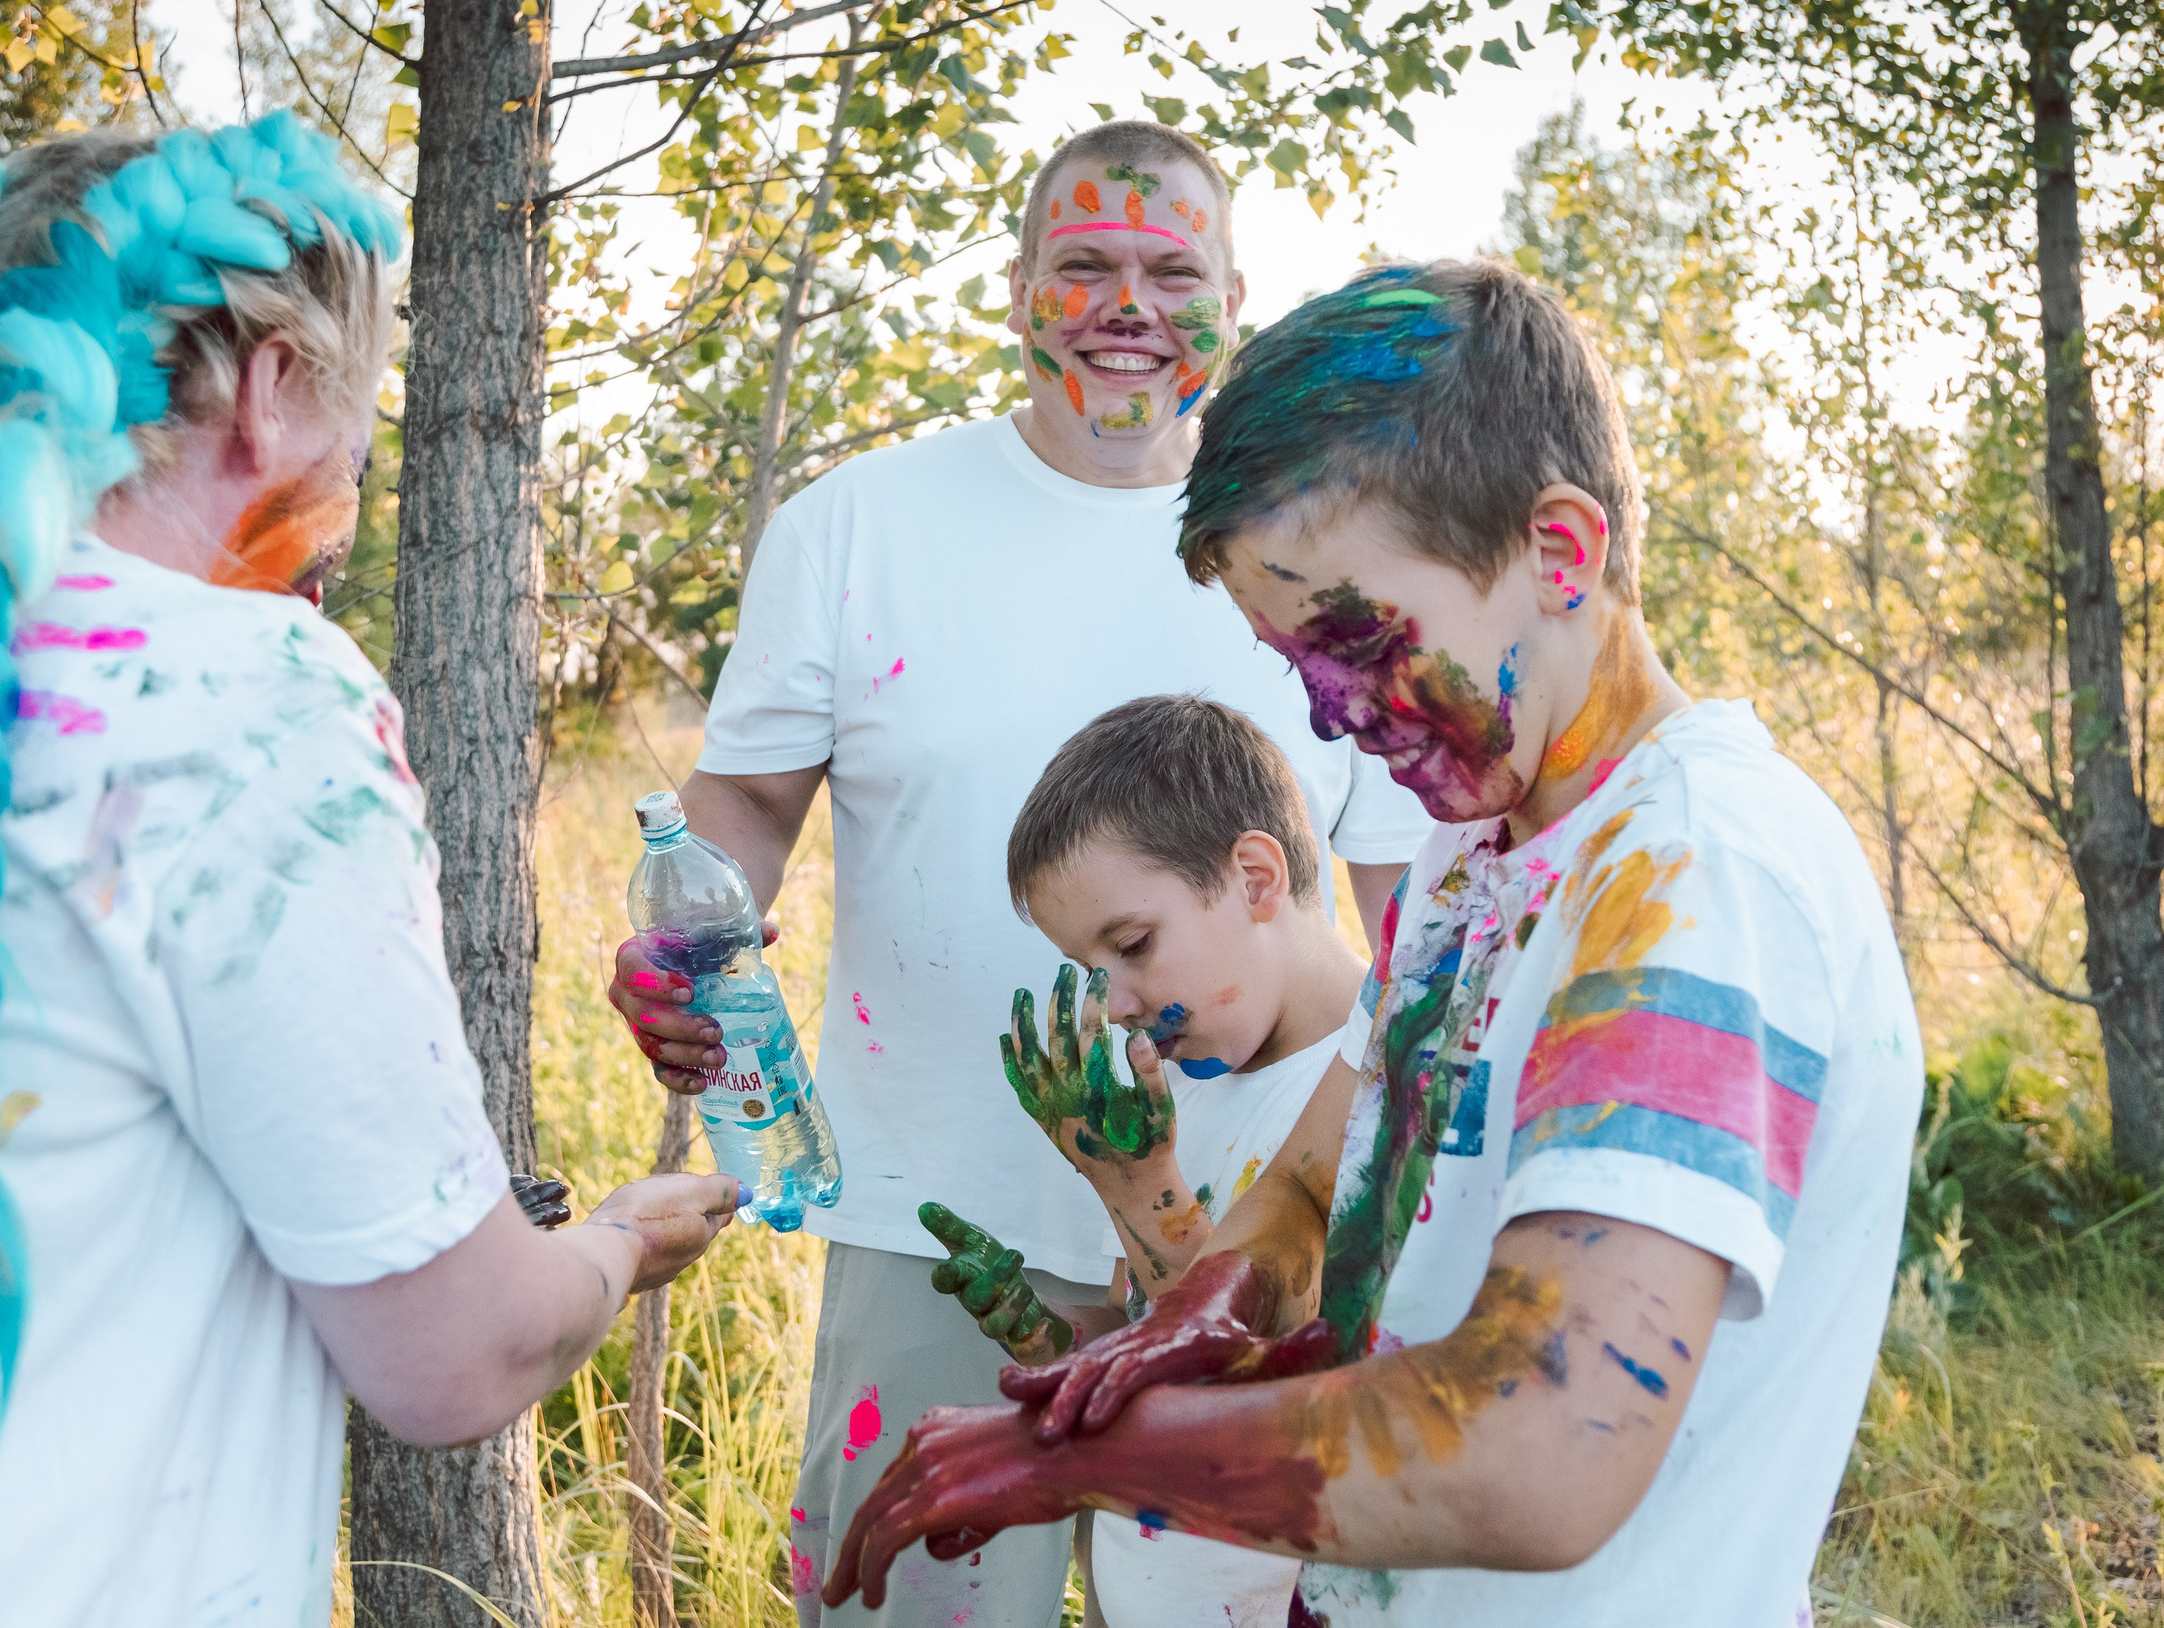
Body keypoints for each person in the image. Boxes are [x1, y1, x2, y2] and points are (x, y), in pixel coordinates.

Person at [0, 114, 737, 1627]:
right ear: (270, 394)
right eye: (363, 425)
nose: (352, 486)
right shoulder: (238, 689)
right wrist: (609, 1243)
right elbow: (453, 1352)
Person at [818, 260, 1925, 1627]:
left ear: (1560, 556)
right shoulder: (1482, 851)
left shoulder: (1695, 874)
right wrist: (1212, 1295)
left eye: (1357, 637)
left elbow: (1543, 1447)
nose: (1334, 715)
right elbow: (1330, 1169)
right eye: (1296, 664)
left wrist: (1085, 1454)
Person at [606, 121, 1432, 1627]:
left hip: (1263, 1231)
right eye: (1087, 264)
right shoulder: (859, 524)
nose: (1129, 301)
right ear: (1017, 290)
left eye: (1171, 269)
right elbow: (737, 804)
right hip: (937, 1213)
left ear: (1233, 294)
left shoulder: (1325, 553)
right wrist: (673, 951)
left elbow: (1410, 928)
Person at [919, 694, 1373, 1628]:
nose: (1117, 1003)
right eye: (1093, 970)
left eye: (1133, 945)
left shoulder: (1372, 1085)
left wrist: (1143, 1190)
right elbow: (1152, 1337)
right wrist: (1052, 1342)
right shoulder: (1174, 1099)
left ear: (1255, 877)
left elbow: (1270, 1382)